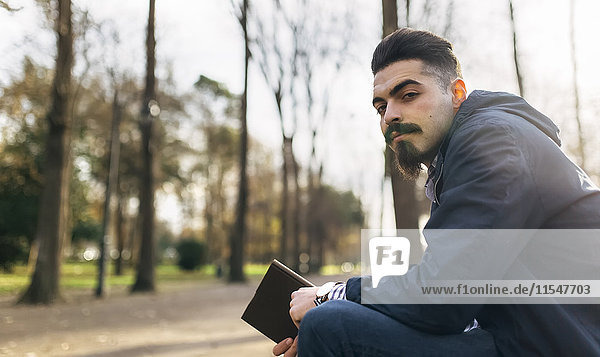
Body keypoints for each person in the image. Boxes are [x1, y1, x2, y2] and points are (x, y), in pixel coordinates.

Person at [273, 28, 600, 356]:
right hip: (528, 335)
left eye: (409, 95)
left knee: (331, 325)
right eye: (380, 107)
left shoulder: (491, 141)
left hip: (557, 344)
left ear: (457, 93)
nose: (390, 116)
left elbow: (444, 298)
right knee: (335, 324)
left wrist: (332, 295)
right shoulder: (474, 148)